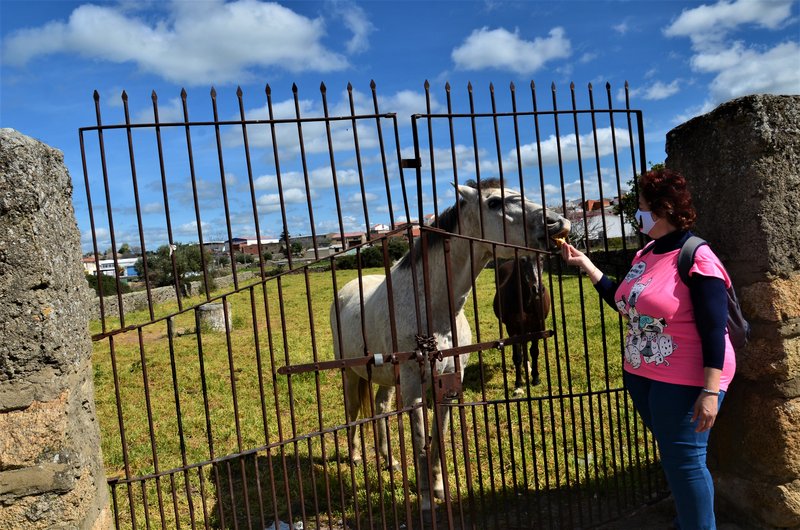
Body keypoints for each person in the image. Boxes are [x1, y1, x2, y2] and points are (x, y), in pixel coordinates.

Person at [560, 168, 735, 530]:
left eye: (640, 206)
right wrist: (587, 265)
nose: (634, 213)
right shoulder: (648, 252)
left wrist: (710, 390)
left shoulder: (697, 256)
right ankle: (690, 520)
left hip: (688, 377)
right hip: (644, 372)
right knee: (674, 456)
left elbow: (714, 328)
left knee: (686, 459)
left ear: (662, 209)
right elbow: (625, 302)